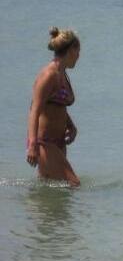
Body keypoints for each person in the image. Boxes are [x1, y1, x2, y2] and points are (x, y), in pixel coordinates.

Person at [26, 27, 81, 186]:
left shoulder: (62, 73)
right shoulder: (49, 75)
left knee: (52, 197)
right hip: (44, 143)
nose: (79, 57)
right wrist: (32, 145)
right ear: (71, 50)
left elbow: (57, 106)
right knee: (73, 184)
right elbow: (35, 110)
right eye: (78, 52)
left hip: (59, 142)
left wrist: (71, 126)